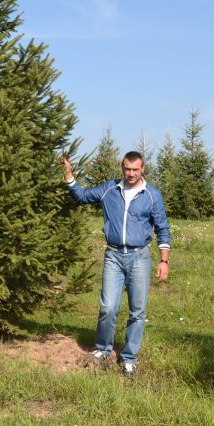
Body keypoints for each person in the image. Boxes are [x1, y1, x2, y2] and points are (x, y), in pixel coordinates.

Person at [61, 151, 170, 378]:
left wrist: (163, 260)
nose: (131, 174)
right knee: (108, 307)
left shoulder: (151, 195)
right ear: (122, 168)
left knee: (137, 311)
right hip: (113, 256)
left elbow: (162, 227)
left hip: (139, 257)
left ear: (142, 169)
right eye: (127, 169)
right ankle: (102, 349)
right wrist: (69, 173)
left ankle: (129, 358)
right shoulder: (109, 189)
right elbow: (82, 196)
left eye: (135, 170)